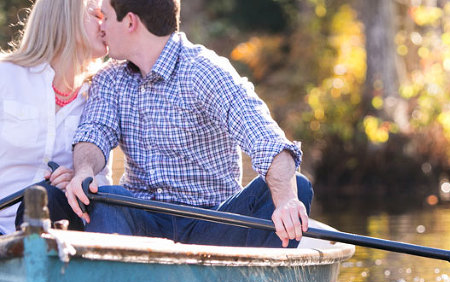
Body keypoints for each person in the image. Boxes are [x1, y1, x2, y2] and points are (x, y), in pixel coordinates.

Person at [66, 0, 312, 249]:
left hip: (212, 226)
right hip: (143, 221)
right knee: (108, 199)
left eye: (106, 17)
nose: (101, 27)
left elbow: (266, 139)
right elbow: (95, 132)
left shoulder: (203, 71)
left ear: (130, 22)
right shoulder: (110, 78)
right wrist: (84, 170)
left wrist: (286, 200)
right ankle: (116, 272)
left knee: (297, 187)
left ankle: (243, 271)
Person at [0, 0, 112, 236]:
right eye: (98, 15)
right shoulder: (6, 77)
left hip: (58, 228)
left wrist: (77, 180)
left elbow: (103, 183)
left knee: (49, 197)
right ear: (67, 17)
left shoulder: (101, 95)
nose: (107, 24)